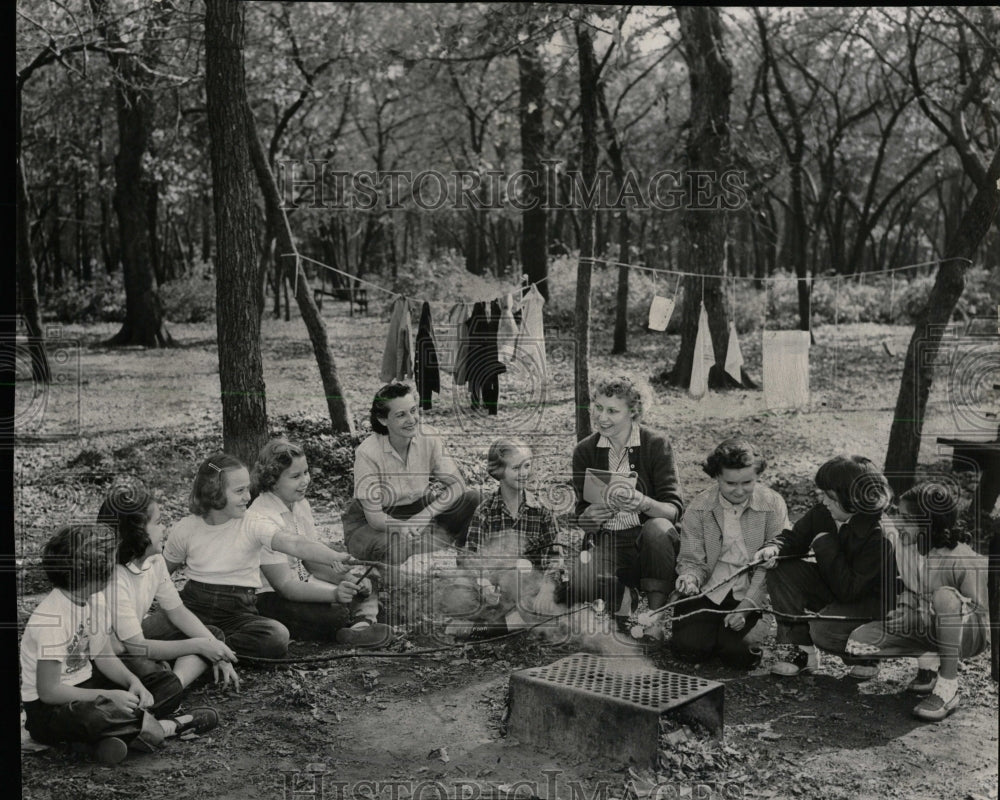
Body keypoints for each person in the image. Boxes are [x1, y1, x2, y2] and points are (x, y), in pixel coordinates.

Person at [20, 524, 218, 764]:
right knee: (93, 716)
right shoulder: (51, 618)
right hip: (50, 709)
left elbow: (103, 654)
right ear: (94, 575)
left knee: (166, 684)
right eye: (109, 565)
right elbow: (49, 691)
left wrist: (131, 682)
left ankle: (97, 742)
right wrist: (109, 695)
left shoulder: (97, 600)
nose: (114, 570)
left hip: (87, 684)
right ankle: (167, 727)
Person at [164, 453, 366, 659]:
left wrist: (333, 556)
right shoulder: (186, 528)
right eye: (240, 491)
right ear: (214, 492)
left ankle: (206, 649)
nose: (248, 497)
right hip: (192, 608)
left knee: (276, 637)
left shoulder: (252, 522)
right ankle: (206, 648)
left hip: (238, 613)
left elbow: (294, 543)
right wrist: (170, 607)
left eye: (248, 489)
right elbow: (160, 574)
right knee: (148, 633)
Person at [846, 482, 989, 721]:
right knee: (859, 642)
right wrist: (905, 611)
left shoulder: (961, 557)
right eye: (898, 515)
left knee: (944, 597)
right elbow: (913, 590)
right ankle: (929, 665)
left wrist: (936, 609)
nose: (899, 523)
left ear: (929, 523)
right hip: (928, 624)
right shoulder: (911, 547)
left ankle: (947, 687)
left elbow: (981, 611)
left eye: (907, 518)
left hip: (969, 634)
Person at [756, 455, 897, 679]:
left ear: (855, 499)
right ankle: (800, 650)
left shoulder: (880, 535)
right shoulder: (824, 512)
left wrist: (825, 545)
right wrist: (774, 548)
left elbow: (850, 591)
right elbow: (794, 538)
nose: (824, 501)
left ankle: (866, 654)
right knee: (781, 569)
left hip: (870, 604)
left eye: (830, 496)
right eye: (823, 494)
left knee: (823, 631)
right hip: (835, 583)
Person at [248, 438, 392, 648]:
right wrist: (334, 593)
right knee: (334, 613)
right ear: (272, 480)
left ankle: (359, 626)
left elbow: (312, 563)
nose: (305, 480)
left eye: (306, 472)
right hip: (270, 597)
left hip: (305, 583)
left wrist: (351, 579)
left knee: (367, 579)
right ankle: (359, 620)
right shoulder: (261, 518)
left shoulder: (300, 504)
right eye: (295, 476)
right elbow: (285, 587)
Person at [100, 481, 241, 693]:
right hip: (114, 653)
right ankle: (168, 685)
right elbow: (136, 647)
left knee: (212, 635)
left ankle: (173, 683)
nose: (164, 528)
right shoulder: (114, 578)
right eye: (157, 523)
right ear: (137, 532)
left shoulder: (154, 561)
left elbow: (177, 611)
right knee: (150, 667)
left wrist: (215, 650)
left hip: (135, 638)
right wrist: (199, 646)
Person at [569, 376, 684, 629]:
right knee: (581, 592)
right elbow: (581, 514)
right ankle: (622, 595)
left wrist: (643, 503)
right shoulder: (585, 451)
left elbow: (673, 511)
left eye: (612, 411)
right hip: (608, 541)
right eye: (598, 407)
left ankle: (655, 618)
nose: (601, 417)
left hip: (647, 544)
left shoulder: (655, 444)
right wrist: (588, 519)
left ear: (633, 411)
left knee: (658, 529)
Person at [672, 439, 789, 668]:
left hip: (749, 592)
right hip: (709, 591)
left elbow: (772, 564)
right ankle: (709, 632)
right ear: (717, 477)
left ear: (757, 475)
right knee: (688, 650)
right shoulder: (700, 507)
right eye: (730, 483)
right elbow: (691, 559)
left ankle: (733, 636)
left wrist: (746, 608)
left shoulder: (772, 504)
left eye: (747, 482)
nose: (739, 490)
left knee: (739, 656)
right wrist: (690, 577)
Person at [342, 383, 481, 566]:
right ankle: (386, 583)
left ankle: (466, 568)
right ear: (384, 420)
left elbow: (457, 485)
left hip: (418, 510)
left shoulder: (429, 437)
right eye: (401, 415)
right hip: (372, 523)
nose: (412, 419)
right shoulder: (368, 452)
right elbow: (375, 518)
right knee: (396, 545)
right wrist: (402, 527)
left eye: (413, 410)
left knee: (473, 499)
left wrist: (425, 515)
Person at [451, 438, 564, 638]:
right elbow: (472, 556)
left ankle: (487, 630)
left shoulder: (542, 512)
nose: (524, 473)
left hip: (530, 588)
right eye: (516, 468)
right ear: (499, 471)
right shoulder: (485, 511)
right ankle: (508, 622)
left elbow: (555, 557)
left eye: (527, 466)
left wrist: (547, 587)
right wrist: (484, 585)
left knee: (561, 593)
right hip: (495, 589)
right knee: (459, 592)